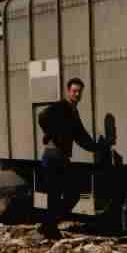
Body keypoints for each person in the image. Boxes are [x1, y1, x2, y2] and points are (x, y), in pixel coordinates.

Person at [37, 77, 109, 239]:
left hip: (60, 157)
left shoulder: (73, 111)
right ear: (68, 92)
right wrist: (52, 134)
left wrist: (96, 147)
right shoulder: (61, 106)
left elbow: (80, 135)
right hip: (53, 156)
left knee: (68, 194)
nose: (77, 94)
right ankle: (49, 227)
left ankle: (48, 226)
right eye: (74, 91)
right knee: (63, 194)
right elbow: (42, 116)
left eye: (79, 92)